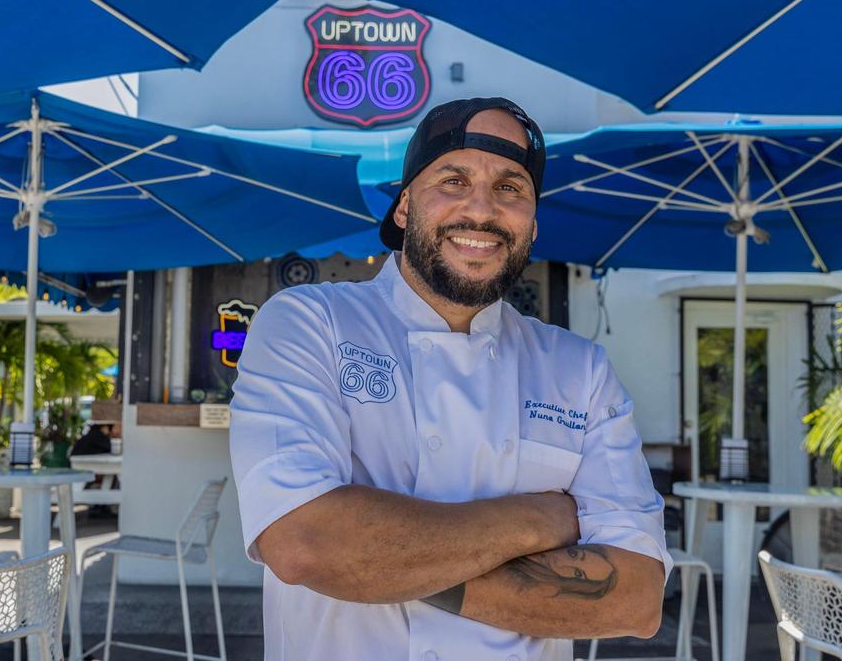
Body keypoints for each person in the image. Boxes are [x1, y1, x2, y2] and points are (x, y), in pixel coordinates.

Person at [229, 98, 671, 661]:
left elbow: (635, 599)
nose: (482, 209)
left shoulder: (579, 369)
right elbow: (304, 544)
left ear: (533, 224)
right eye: (453, 180)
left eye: (510, 187)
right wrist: (542, 518)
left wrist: (377, 563)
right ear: (404, 207)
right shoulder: (310, 322)